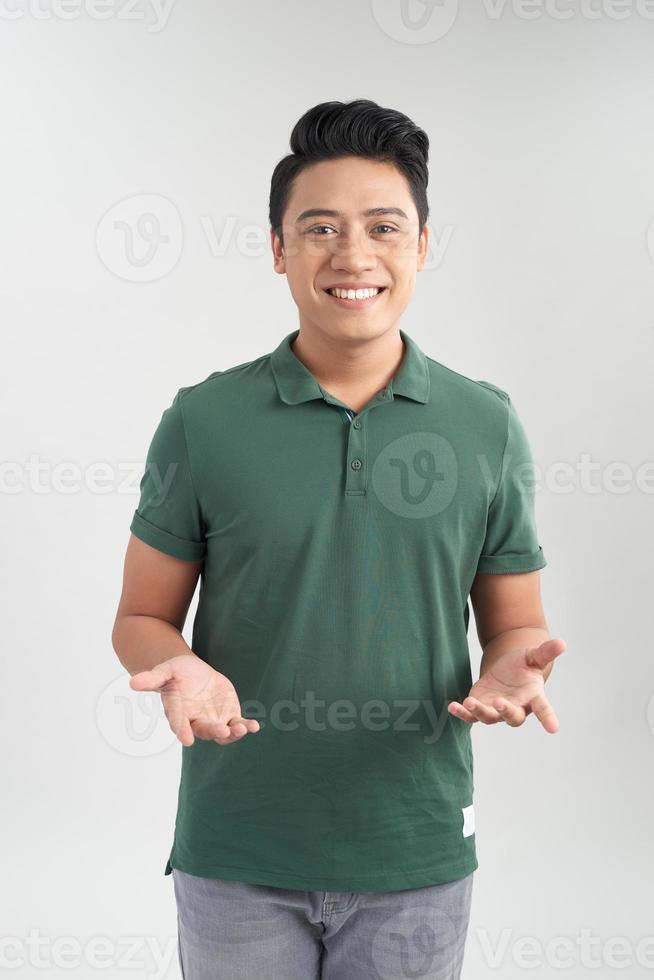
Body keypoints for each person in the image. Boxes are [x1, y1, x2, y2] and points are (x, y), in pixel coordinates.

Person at [112, 98, 565, 980]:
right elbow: (140, 615)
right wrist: (182, 664)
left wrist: (513, 663)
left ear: (422, 246)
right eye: (319, 229)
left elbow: (516, 623)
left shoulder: (487, 424)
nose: (352, 256)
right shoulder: (204, 421)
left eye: (383, 227)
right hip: (238, 850)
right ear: (279, 249)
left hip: (415, 848)